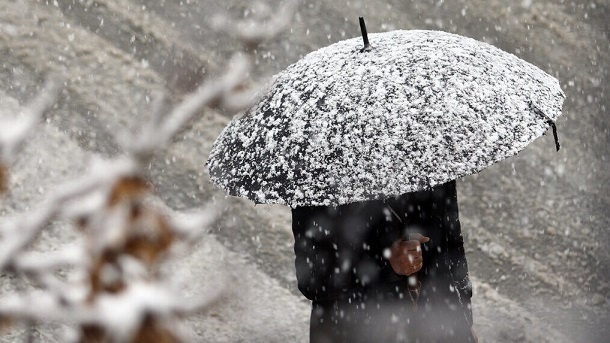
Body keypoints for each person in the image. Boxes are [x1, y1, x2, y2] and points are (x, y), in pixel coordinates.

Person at [291, 181, 477, 342]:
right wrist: (386, 263)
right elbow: (313, 278)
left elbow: (451, 242)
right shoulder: (320, 170)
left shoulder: (431, 152)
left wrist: (463, 320)